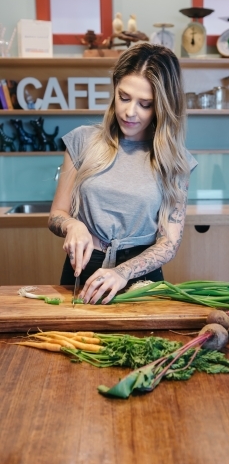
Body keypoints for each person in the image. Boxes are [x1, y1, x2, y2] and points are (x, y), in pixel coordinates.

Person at [48, 42, 197, 305]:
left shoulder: (175, 160)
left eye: (145, 104)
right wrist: (73, 225)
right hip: (84, 270)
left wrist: (122, 272)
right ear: (114, 89)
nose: (130, 112)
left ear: (162, 106)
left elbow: (169, 242)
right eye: (124, 97)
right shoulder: (82, 141)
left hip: (142, 277)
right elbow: (56, 215)